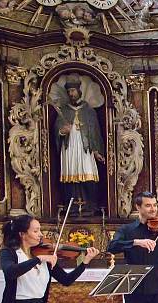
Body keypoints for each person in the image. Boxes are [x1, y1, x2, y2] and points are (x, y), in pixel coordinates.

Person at [0, 214, 100, 303]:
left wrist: (85, 262)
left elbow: (66, 280)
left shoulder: (44, 254)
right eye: (35, 231)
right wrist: (38, 259)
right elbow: (10, 272)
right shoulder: (10, 253)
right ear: (22, 234)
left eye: (40, 230)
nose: (41, 234)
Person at [55, 75, 105, 214]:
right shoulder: (63, 111)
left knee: (88, 173)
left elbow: (95, 132)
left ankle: (91, 205)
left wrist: (96, 151)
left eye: (73, 90)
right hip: (69, 147)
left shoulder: (89, 111)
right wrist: (61, 131)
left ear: (79, 91)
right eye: (69, 91)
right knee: (71, 173)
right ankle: (71, 206)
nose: (71, 94)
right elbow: (56, 130)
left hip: (85, 148)